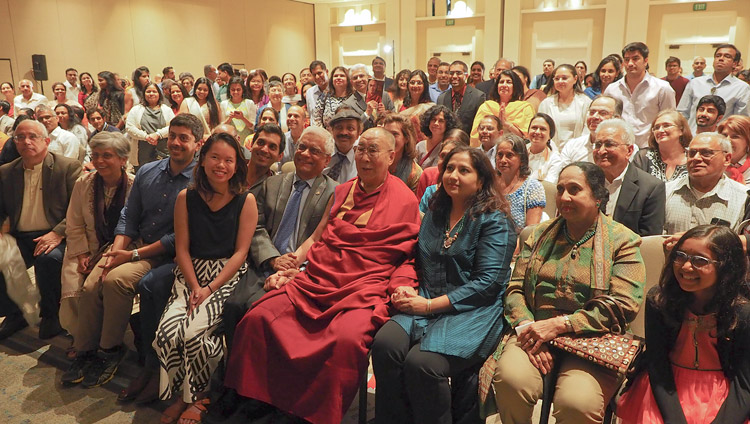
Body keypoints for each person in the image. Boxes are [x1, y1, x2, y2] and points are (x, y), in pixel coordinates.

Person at [220, 127, 421, 424]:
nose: (364, 156)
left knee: (345, 342)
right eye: (360, 148)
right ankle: (261, 401)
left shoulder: (405, 200)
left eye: (372, 150)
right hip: (316, 279)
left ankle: (311, 414)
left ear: (391, 156)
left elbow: (406, 255)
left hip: (361, 289)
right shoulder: (343, 190)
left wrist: (402, 286)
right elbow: (317, 238)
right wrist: (291, 264)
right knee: (258, 319)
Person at [489, 161, 646, 424]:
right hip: (534, 333)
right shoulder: (539, 234)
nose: (563, 197)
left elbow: (623, 305)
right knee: (511, 381)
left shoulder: (622, 241)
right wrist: (529, 328)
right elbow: (515, 288)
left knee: (577, 403)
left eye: (574, 189)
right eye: (560, 189)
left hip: (594, 338)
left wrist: (561, 325)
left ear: (598, 197)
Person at [372, 145, 515, 424]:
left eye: (464, 170)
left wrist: (427, 306)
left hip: (473, 311)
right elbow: (416, 258)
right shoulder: (437, 211)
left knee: (422, 364)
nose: (454, 175)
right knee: (385, 345)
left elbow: (487, 285)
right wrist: (406, 287)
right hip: (425, 298)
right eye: (450, 168)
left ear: (482, 180)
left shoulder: (495, 220)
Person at [60, 114, 203, 388]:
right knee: (92, 285)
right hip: (132, 245)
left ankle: (110, 350)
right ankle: (85, 350)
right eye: (172, 136)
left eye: (183, 138)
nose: (175, 142)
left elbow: (180, 236)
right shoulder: (149, 171)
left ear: (197, 144)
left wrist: (132, 256)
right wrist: (114, 254)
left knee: (116, 281)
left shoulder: (199, 182)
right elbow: (128, 216)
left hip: (164, 253)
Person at [155, 132, 256, 424]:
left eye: (228, 160)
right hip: (190, 274)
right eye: (215, 157)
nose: (221, 165)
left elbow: (241, 253)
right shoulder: (186, 197)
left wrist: (210, 288)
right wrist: (195, 285)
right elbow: (182, 248)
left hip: (226, 276)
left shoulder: (245, 200)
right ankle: (178, 394)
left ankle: (197, 398)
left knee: (195, 335)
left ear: (237, 165)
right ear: (203, 159)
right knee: (167, 334)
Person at [221, 126, 336, 359]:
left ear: (327, 160)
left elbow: (324, 239)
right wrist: (273, 259)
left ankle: (257, 383)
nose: (305, 154)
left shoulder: (334, 192)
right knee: (234, 306)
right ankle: (232, 378)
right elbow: (256, 227)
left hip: (300, 271)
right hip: (266, 263)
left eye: (314, 151)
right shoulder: (272, 184)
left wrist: (294, 266)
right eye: (302, 147)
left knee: (259, 314)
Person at [617, 225, 750, 424]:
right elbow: (657, 364)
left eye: (700, 260)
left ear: (726, 266)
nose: (686, 267)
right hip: (665, 389)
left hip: (725, 395)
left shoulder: (742, 313)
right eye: (680, 256)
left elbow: (744, 382)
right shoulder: (660, 300)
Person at [0, 120, 82, 340]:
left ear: (46, 141)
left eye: (32, 136)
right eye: (20, 137)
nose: (26, 141)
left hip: (55, 233)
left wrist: (58, 233)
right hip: (19, 234)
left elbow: (79, 209)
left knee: (48, 259)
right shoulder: (6, 172)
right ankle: (15, 312)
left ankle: (51, 316)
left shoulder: (67, 167)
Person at [59, 132, 134, 349]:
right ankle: (80, 337)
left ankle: (103, 340)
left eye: (107, 155)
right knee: (73, 280)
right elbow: (73, 223)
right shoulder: (84, 183)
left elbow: (136, 227)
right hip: (86, 246)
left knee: (98, 283)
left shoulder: (134, 185)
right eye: (96, 155)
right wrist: (82, 254)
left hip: (120, 248)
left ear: (123, 159)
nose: (99, 161)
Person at [664, 132, 750, 234]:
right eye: (691, 153)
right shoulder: (665, 191)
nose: (696, 158)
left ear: (727, 159)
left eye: (706, 153)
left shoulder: (744, 198)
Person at [592, 118, 666, 236]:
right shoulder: (586, 182)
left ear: (629, 150)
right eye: (598, 144)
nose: (601, 151)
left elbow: (649, 238)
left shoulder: (651, 188)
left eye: (609, 144)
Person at [604, 42, 676, 148]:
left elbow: (669, 121)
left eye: (635, 58)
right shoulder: (612, 89)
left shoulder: (662, 88)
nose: (630, 63)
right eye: (627, 59)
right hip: (619, 147)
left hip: (650, 147)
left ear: (646, 61)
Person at [678, 44, 750, 133]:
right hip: (692, 139)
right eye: (718, 56)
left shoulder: (741, 88)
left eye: (727, 56)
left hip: (720, 141)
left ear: (735, 63)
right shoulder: (695, 83)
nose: (721, 59)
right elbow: (682, 113)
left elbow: (740, 122)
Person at [557, 95, 623, 170]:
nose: (594, 117)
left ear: (616, 118)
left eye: (603, 113)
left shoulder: (625, 149)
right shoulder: (572, 146)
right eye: (592, 112)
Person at [495, 133, 546, 232]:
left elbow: (530, 233)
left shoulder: (533, 188)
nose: (503, 160)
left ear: (522, 160)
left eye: (509, 155)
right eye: (500, 155)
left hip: (517, 244)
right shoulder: (489, 185)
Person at [471, 70, 534, 145]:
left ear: (516, 86)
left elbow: (526, 138)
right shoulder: (486, 107)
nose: (504, 85)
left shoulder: (525, 108)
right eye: (501, 82)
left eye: (509, 82)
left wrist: (507, 124)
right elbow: (476, 135)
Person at [539, 64, 592, 149]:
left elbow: (588, 130)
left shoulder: (586, 102)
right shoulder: (546, 103)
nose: (560, 81)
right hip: (552, 153)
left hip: (578, 152)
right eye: (556, 78)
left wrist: (577, 150)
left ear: (575, 79)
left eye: (564, 78)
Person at [632, 109, 691, 182]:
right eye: (656, 127)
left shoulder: (693, 158)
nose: (660, 130)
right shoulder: (643, 157)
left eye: (666, 125)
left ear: (681, 130)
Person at [126, 82, 175, 166]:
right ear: (144, 94)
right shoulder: (136, 109)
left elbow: (173, 127)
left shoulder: (167, 110)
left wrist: (158, 134)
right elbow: (129, 127)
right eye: (148, 91)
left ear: (159, 94)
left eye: (154, 91)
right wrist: (146, 137)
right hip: (142, 153)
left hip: (163, 152)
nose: (151, 94)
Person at [416, 128, 470, 201]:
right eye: (443, 156)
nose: (446, 161)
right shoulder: (429, 185)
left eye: (452, 155)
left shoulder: (467, 183)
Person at [437, 60, 486, 136]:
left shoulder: (478, 96)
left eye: (458, 73)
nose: (454, 76)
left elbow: (480, 124)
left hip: (468, 144)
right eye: (451, 73)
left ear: (466, 76)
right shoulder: (441, 98)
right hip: (447, 143)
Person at [380, 112, 422, 194]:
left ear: (406, 138)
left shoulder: (415, 174)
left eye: (395, 134)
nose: (389, 139)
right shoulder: (374, 162)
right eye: (386, 133)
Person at [343, 63, 395, 130]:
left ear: (369, 77)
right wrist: (366, 114)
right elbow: (352, 128)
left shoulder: (384, 95)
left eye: (361, 76)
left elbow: (395, 119)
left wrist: (384, 114)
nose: (359, 79)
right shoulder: (348, 104)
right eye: (355, 78)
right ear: (351, 82)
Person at [324, 107, 363, 184]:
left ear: (359, 133)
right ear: (332, 130)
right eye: (339, 127)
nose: (344, 132)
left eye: (350, 128)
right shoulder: (321, 154)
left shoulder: (361, 162)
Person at [416, 104, 459, 169]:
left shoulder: (448, 147)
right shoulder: (420, 146)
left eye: (441, 121)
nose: (436, 123)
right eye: (433, 119)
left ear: (447, 124)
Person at [245, 123, 285, 189]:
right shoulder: (232, 174)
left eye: (272, 147)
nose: (264, 150)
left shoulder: (278, 188)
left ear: (280, 156)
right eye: (260, 143)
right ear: (252, 145)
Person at [526, 112, 563, 183]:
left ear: (550, 135)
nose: (537, 132)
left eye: (542, 129)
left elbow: (549, 187)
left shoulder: (555, 160)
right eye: (534, 127)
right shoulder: (519, 151)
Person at [220, 76, 256, 143]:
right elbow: (221, 126)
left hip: (246, 141)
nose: (235, 92)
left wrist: (242, 118)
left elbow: (253, 126)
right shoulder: (223, 104)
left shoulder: (249, 103)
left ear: (243, 90)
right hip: (229, 141)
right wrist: (230, 118)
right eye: (233, 90)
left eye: (238, 89)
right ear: (229, 90)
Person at [719, 115, 750, 184]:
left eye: (735, 136)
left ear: (748, 141)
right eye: (724, 135)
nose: (727, 140)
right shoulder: (713, 164)